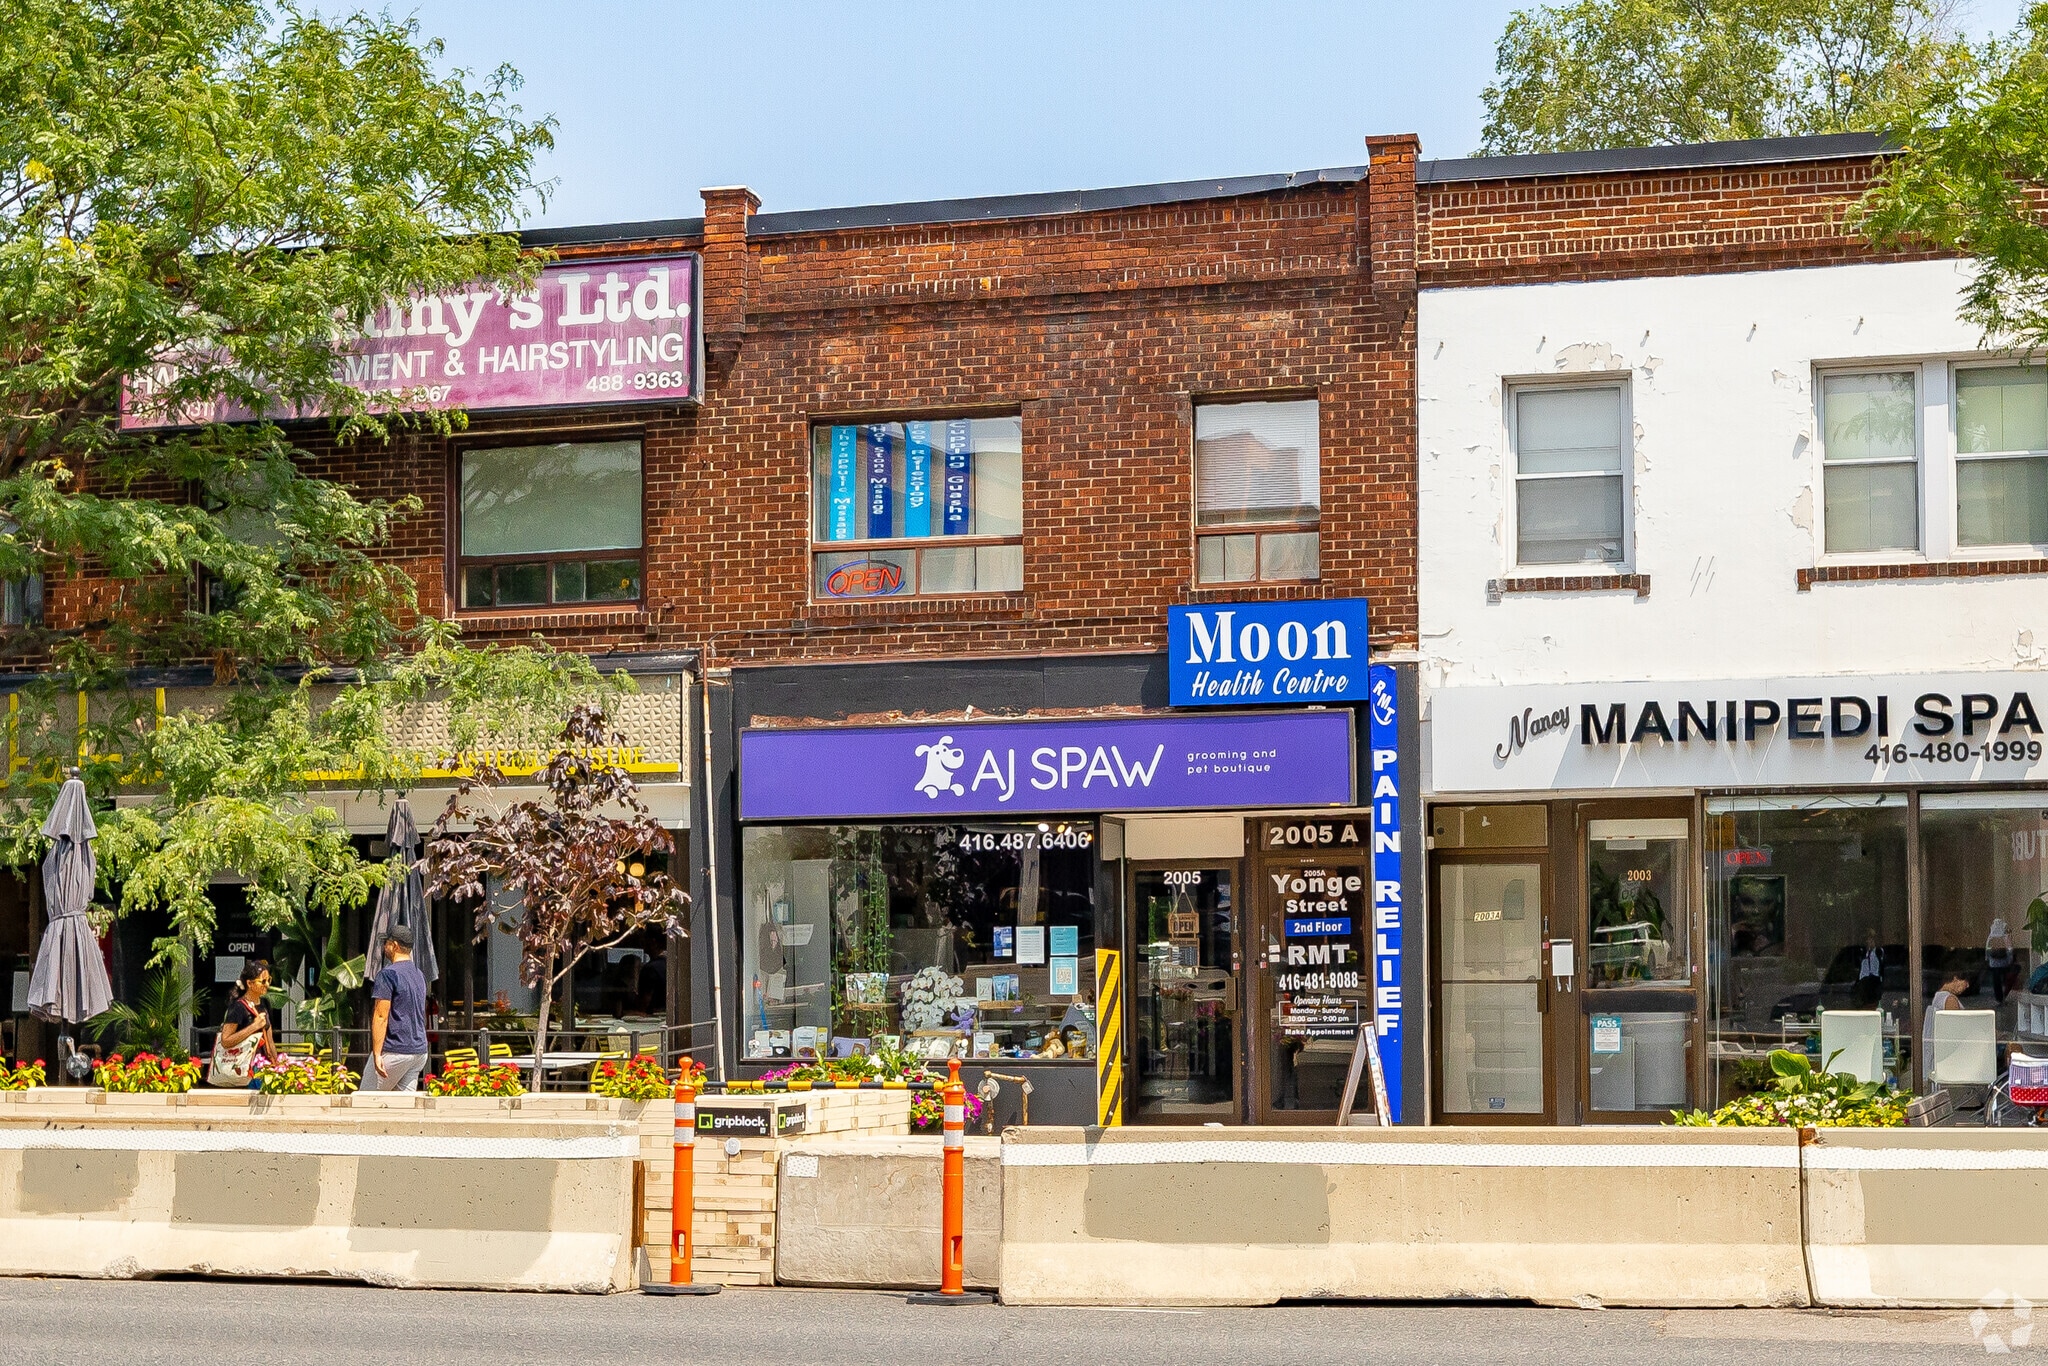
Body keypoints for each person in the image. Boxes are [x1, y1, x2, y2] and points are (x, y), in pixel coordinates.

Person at [366, 923, 430, 1092]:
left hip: (394, 1050)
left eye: (386, 943)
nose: (384, 947)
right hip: (418, 1051)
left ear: (394, 945)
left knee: (366, 1099)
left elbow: (381, 1016)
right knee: (402, 1104)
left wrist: (377, 1054)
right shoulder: (419, 974)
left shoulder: (388, 974)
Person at [210, 959, 278, 1088]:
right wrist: (254, 1026)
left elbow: (270, 1041)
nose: (267, 985)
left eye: (269, 980)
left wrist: (276, 1064)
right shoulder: (238, 1007)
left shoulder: (264, 1005)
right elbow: (225, 1040)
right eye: (262, 981)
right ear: (249, 983)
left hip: (263, 1067)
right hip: (244, 1068)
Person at [1924, 966, 1970, 1049]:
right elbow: (1956, 1028)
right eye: (1966, 982)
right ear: (1956, 979)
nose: (1967, 986)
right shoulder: (1950, 1000)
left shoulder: (1937, 996)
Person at [1853, 930, 1884, 1008]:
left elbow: (1882, 963)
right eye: (1868, 940)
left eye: (1871, 940)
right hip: (1864, 979)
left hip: (1875, 979)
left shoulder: (1879, 951)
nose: (1869, 942)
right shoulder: (1863, 952)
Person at [1987, 919, 2016, 1005]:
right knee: (2005, 981)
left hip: (1994, 963)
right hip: (2005, 962)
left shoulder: (1991, 936)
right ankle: (2005, 997)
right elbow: (2009, 948)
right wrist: (2010, 959)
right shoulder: (2004, 936)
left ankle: (1999, 999)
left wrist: (1988, 959)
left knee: (1997, 982)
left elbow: (1988, 950)